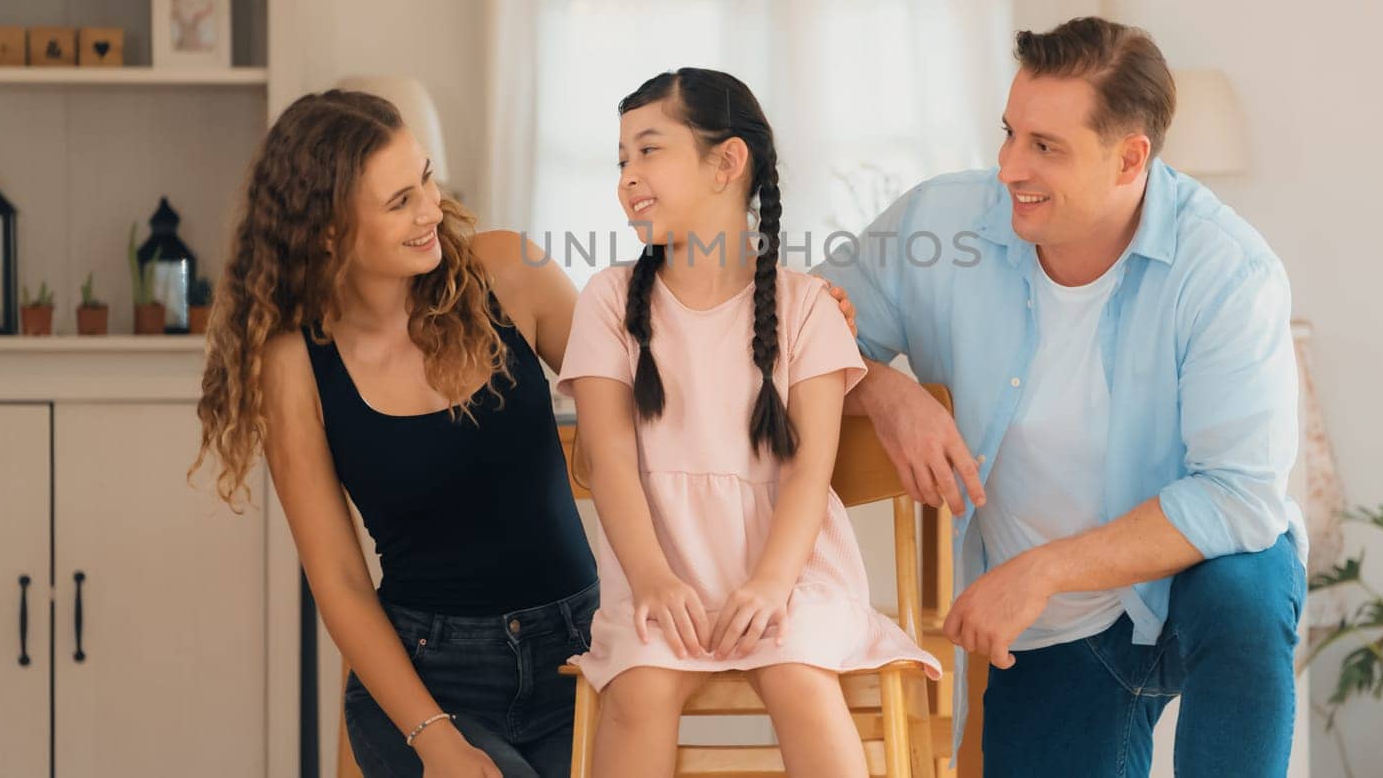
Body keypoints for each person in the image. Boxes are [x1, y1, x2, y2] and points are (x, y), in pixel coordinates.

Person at [816, 18, 1308, 777]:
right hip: (1051, 633)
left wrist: (1044, 568)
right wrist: (881, 387)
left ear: (1129, 158)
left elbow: (1240, 494)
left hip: (1189, 590)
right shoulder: (941, 225)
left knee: (1248, 581)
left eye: (1046, 147)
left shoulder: (1227, 271)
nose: (1011, 166)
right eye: (1010, 133)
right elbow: (787, 329)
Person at [192, 90, 598, 778]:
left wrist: (805, 314)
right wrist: (434, 737)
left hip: (580, 658)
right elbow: (342, 581)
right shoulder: (294, 362)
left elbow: (653, 400)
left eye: (427, 179)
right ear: (326, 230)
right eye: (399, 201)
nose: (431, 209)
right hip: (428, 680)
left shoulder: (512, 274)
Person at [557, 68, 940, 778]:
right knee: (637, 690)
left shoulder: (807, 307)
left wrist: (769, 584)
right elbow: (608, 462)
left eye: (648, 151)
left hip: (791, 571)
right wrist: (650, 579)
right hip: (660, 566)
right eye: (620, 159)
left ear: (727, 162)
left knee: (798, 675)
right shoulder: (608, 300)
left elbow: (808, 469)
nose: (627, 176)